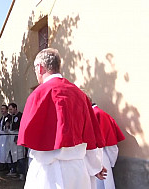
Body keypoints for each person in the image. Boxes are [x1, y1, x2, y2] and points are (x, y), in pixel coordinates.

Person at [18, 48, 106, 189]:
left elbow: (29, 135)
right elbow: (89, 137)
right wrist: (95, 167)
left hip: (46, 173)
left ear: (40, 68)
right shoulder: (80, 95)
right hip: (76, 171)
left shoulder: (37, 95)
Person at [90, 101, 125, 189]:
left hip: (99, 154)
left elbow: (110, 142)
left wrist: (110, 162)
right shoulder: (96, 113)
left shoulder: (97, 114)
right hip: (98, 155)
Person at [8, 102, 26, 180]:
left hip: (18, 136)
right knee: (13, 154)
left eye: (11, 109)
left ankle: (22, 173)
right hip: (11, 137)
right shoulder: (10, 117)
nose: (10, 111)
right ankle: (14, 170)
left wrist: (19, 137)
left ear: (15, 108)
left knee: (20, 155)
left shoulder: (20, 116)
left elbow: (22, 127)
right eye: (9, 109)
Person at [0, 105, 12, 171]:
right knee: (1, 151)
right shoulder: (2, 118)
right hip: (2, 136)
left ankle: (8, 167)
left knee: (6, 151)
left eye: (3, 109)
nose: (2, 110)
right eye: (1, 109)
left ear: (6, 110)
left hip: (7, 136)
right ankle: (2, 165)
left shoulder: (9, 117)